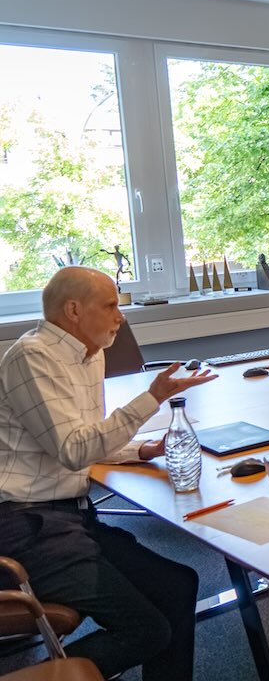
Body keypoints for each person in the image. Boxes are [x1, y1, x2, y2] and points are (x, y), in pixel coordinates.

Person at [0, 266, 215, 680]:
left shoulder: (89, 354)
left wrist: (142, 449)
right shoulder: (33, 357)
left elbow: (87, 439)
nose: (121, 316)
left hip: (70, 516)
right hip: (25, 525)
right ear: (74, 310)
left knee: (179, 585)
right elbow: (73, 449)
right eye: (112, 305)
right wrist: (151, 398)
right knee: (146, 629)